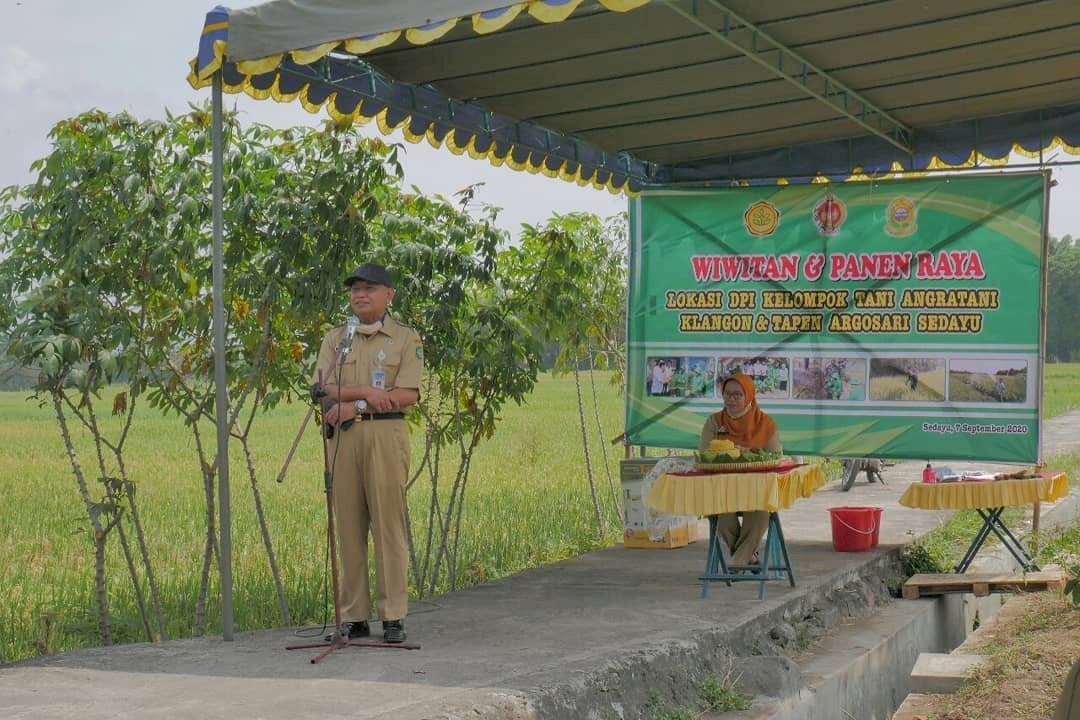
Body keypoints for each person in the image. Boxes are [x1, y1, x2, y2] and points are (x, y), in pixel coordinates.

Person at [312, 262, 423, 644]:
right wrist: (364, 394)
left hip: (385, 434)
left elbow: (408, 394)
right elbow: (321, 388)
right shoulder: (336, 339)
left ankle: (392, 615)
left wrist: (357, 404)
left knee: (388, 525)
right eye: (355, 289)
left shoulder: (405, 339)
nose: (360, 295)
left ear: (389, 295)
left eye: (369, 288)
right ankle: (354, 617)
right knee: (348, 527)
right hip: (343, 438)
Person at [698, 374, 782, 565]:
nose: (731, 399)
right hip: (723, 490)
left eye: (737, 395)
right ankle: (747, 559)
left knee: (761, 513)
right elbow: (704, 454)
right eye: (727, 394)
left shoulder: (766, 425)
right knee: (720, 515)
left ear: (749, 396)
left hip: (757, 490)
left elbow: (775, 458)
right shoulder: (714, 422)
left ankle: (737, 562)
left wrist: (749, 452)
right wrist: (726, 454)